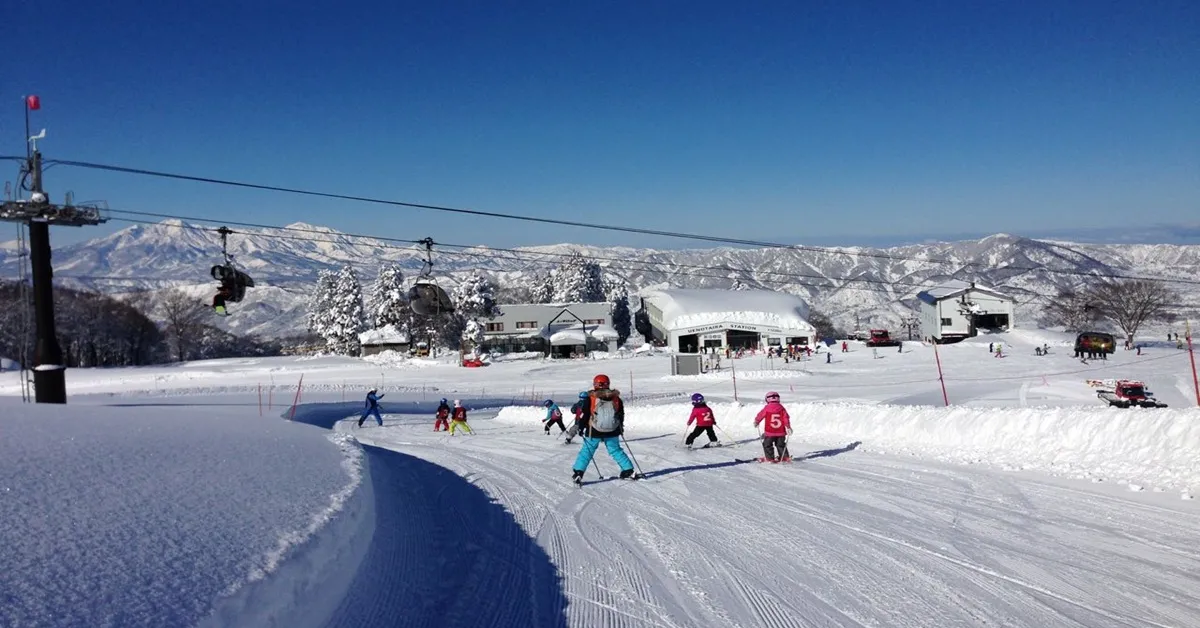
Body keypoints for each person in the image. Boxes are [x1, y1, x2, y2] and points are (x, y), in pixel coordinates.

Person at [571, 374, 637, 483]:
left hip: (594, 431)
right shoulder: (616, 398)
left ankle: (579, 473)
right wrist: (620, 428)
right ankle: (628, 470)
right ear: (608, 384)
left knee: (587, 451)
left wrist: (581, 427)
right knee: (616, 450)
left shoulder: (591, 398)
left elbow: (585, 414)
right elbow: (620, 415)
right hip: (612, 430)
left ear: (596, 384)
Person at [753, 391, 791, 462]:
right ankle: (785, 457)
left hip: (770, 431)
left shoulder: (767, 408)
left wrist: (756, 421)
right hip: (781, 432)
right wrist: (788, 427)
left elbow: (761, 415)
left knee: (767, 444)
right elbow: (786, 418)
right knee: (781, 445)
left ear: (767, 399)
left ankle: (770, 458)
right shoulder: (782, 408)